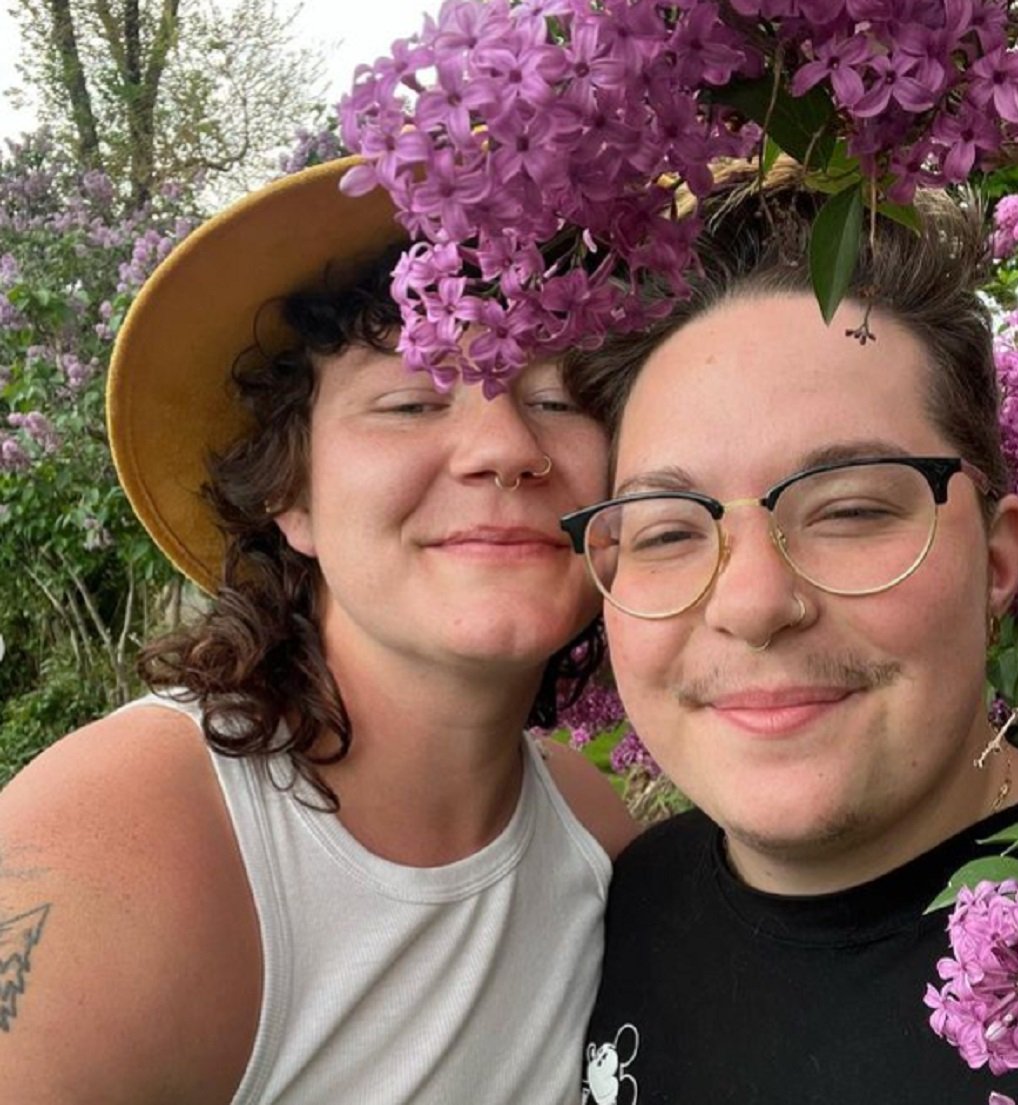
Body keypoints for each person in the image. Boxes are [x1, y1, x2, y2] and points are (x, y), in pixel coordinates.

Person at [0, 157, 637, 1105]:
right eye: (412, 401)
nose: (508, 447)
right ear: (288, 493)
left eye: (559, 399)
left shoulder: (599, 839)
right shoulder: (117, 847)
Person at [562, 163, 1018, 1104]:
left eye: (851, 510)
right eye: (666, 529)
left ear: (997, 558)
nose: (753, 601)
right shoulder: (618, 910)